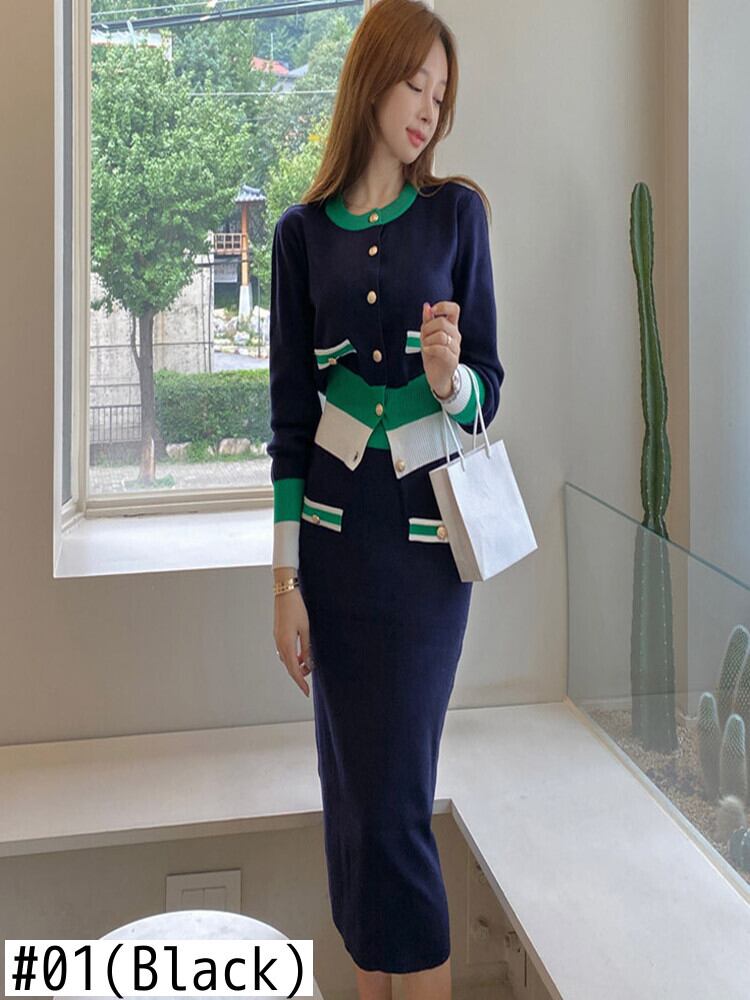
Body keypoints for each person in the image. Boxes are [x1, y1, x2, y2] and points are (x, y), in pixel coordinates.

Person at [268, 1, 505, 996]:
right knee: (353, 808)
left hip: (423, 561)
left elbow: (489, 391)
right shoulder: (298, 234)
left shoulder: (457, 215)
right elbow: (289, 424)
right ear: (373, 77)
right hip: (332, 556)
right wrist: (284, 582)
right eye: (415, 84)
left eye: (440, 97)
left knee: (398, 805)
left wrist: (450, 381)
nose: (427, 110)